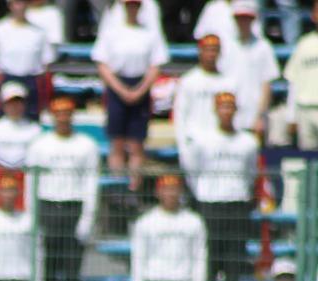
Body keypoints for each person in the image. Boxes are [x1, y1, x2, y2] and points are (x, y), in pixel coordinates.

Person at [183, 92, 257, 281]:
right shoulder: (203, 140)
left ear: (236, 110)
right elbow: (192, 170)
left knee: (235, 254)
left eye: (230, 106)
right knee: (210, 254)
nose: (226, 111)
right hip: (210, 202)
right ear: (215, 110)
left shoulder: (248, 142)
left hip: (237, 202)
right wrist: (202, 191)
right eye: (222, 107)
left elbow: (251, 172)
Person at [26, 96, 100, 281]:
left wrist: (87, 217)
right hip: (48, 205)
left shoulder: (87, 145)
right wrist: (32, 214)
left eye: (67, 114)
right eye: (58, 114)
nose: (63, 118)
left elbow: (91, 183)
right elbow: (31, 182)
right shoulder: (40, 145)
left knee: (72, 263)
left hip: (73, 206)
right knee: (48, 262)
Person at [92, 0, 169, 191]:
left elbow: (156, 64)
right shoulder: (111, 30)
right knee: (117, 141)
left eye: (135, 5)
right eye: (129, 5)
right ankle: (117, 186)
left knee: (136, 144)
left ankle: (134, 188)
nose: (132, 9)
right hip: (117, 85)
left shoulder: (149, 32)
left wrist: (140, 90)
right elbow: (102, 63)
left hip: (140, 86)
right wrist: (120, 89)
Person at [0, 0, 55, 120]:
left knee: (31, 118)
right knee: (3, 119)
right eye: (16, 3)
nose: (20, 7)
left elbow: (47, 61)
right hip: (7, 79)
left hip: (31, 80)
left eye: (23, 3)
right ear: (10, 5)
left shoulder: (39, 32)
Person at [0, 82, 40, 214]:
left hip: (23, 182)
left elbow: (34, 168)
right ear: (3, 104)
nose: (15, 107)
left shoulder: (34, 130)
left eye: (18, 102)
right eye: (10, 103)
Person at [219, 0, 279, 137]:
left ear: (253, 19)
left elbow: (266, 85)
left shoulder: (263, 47)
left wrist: (260, 116)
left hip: (252, 117)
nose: (243, 22)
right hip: (228, 116)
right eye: (240, 18)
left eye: (246, 18)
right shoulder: (225, 46)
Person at [173, 35, 236, 163]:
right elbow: (180, 115)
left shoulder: (228, 82)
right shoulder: (188, 81)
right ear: (200, 51)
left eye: (215, 49)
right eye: (208, 49)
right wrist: (183, 146)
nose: (211, 54)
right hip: (195, 142)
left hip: (219, 145)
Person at [284, 2, 318, 150]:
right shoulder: (304, 43)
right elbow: (293, 82)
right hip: (305, 109)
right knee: (307, 158)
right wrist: (291, 116)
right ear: (313, 15)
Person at [194, 0, 259, 46]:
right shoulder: (212, 7)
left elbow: (257, 36)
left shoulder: (247, 7)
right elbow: (199, 35)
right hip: (216, 58)